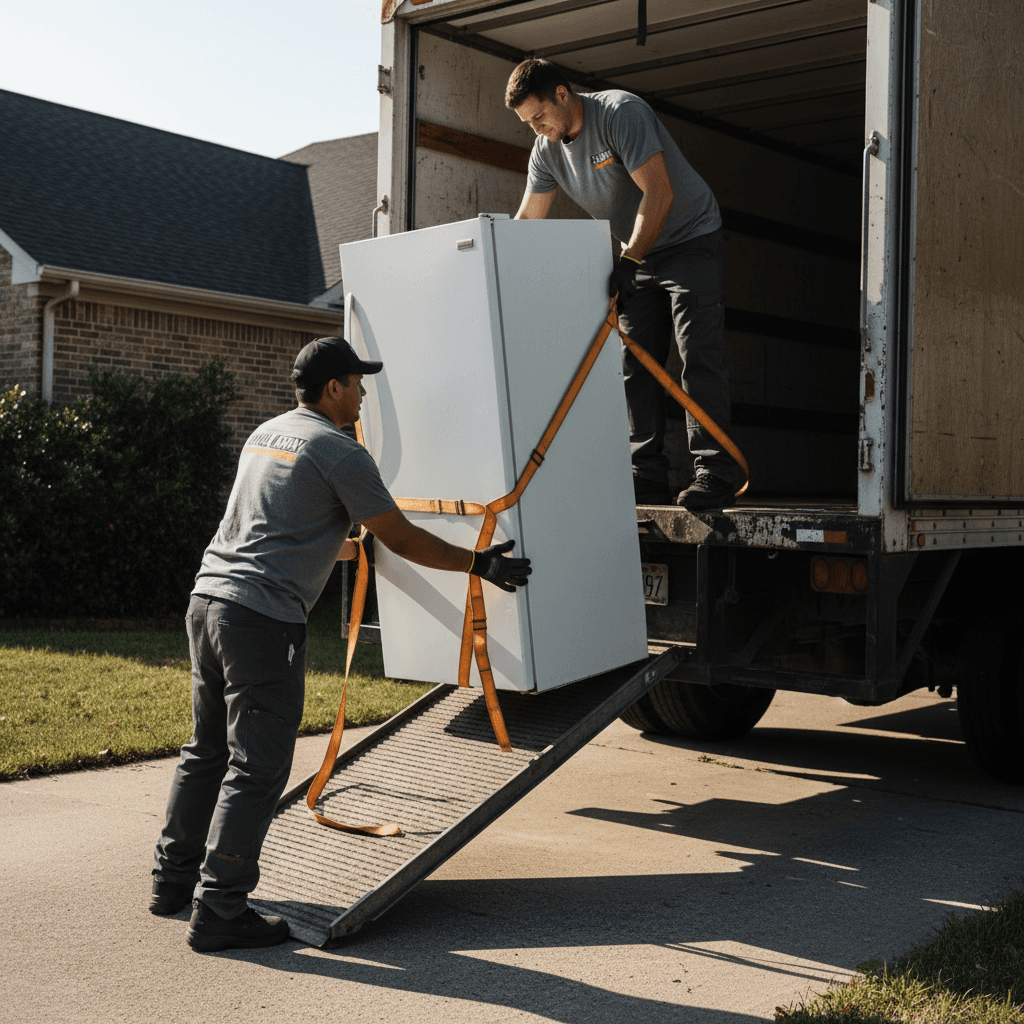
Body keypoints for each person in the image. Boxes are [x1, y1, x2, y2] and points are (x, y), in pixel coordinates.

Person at [151, 336, 531, 953]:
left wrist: (343, 549)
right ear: (334, 388)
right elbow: (399, 536)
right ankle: (219, 908)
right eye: (358, 383)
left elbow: (284, 525)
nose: (362, 394)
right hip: (261, 619)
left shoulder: (267, 435)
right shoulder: (339, 449)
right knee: (259, 763)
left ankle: (171, 883)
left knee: (208, 748)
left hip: (209, 601)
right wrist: (478, 564)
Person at [506, 59, 737, 510]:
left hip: (690, 238)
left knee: (697, 354)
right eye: (527, 124)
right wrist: (492, 268)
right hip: (641, 251)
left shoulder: (620, 114)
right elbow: (526, 222)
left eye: (538, 118)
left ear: (561, 94)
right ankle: (647, 475)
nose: (536, 130)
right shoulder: (547, 150)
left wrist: (629, 259)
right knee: (634, 363)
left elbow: (660, 193)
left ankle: (715, 471)